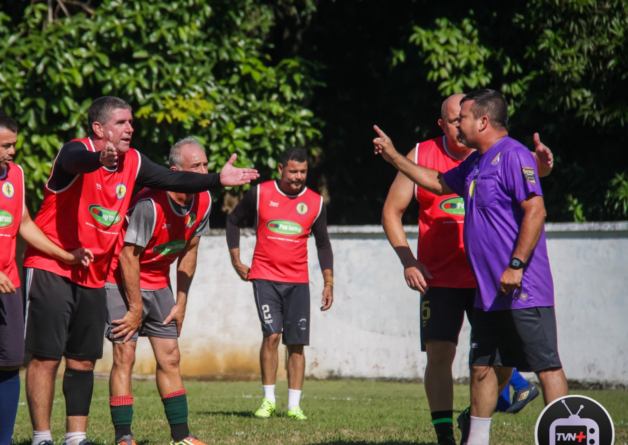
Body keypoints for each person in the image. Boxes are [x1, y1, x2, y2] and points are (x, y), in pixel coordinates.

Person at [22, 96, 258, 445]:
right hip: (52, 265)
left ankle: (76, 437)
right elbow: (74, 160)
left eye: (131, 122)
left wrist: (216, 181)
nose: (130, 128)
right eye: (121, 123)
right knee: (45, 359)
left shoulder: (133, 161)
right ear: (99, 129)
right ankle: (42, 438)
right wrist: (96, 159)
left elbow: (172, 179)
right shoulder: (75, 151)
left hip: (93, 273)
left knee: (83, 361)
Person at [373, 89, 568, 445]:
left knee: (546, 366)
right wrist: (394, 157)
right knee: (481, 367)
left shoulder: (513, 154)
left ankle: (564, 436)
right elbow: (435, 181)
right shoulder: (476, 162)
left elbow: (535, 210)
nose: (458, 123)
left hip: (521, 284)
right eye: (454, 118)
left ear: (482, 120)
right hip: (488, 291)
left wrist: (516, 265)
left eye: (463, 117)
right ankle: (473, 440)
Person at [0, 112, 93, 445]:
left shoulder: (17, 174)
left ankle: (5, 442)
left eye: (15, 144)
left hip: (8, 283)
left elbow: (24, 223)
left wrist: (65, 255)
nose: (13, 151)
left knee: (10, 364)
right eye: (6, 145)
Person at [105, 137, 212, 445]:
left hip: (159, 281)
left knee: (171, 357)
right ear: (174, 171)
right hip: (122, 279)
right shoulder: (149, 204)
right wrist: (135, 309)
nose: (204, 172)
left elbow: (190, 251)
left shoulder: (203, 199)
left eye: (206, 164)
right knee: (125, 354)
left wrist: (181, 301)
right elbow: (128, 257)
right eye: (196, 166)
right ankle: (124, 438)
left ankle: (181, 437)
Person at [225, 147, 334, 421]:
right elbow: (233, 220)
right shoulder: (260, 193)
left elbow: (323, 244)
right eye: (293, 171)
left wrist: (328, 281)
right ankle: (268, 400)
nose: (298, 177)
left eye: (303, 172)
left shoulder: (315, 202)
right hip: (265, 277)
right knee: (272, 335)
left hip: (298, 281)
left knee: (296, 344)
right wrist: (237, 261)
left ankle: (294, 405)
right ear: (281, 169)